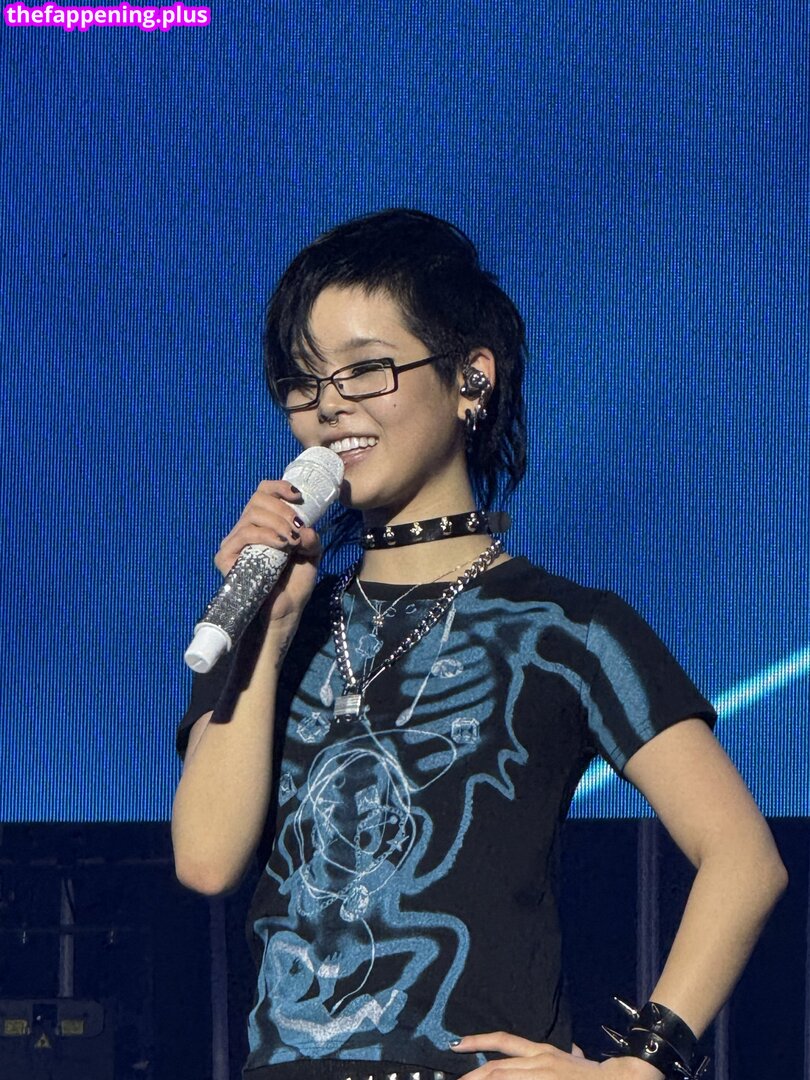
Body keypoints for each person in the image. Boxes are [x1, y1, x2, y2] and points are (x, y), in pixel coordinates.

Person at [171, 209, 787, 1080]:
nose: (330, 403)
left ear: (471, 377)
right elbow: (206, 862)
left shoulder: (565, 627)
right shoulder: (273, 621)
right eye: (304, 382)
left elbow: (743, 858)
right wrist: (265, 640)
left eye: (366, 368)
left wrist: (638, 1065)